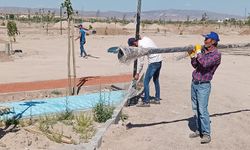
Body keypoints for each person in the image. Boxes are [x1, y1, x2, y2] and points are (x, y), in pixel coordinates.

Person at [188, 31, 221, 144]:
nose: (204, 41)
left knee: (202, 110)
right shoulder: (203, 51)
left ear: (213, 42)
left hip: (204, 85)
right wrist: (192, 56)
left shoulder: (216, 55)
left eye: (206, 39)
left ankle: (206, 134)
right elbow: (196, 65)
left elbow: (204, 63)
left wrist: (197, 52)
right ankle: (199, 130)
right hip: (195, 82)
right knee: (195, 109)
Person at [128, 37, 163, 107]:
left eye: (133, 47)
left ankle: (146, 102)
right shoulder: (145, 38)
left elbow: (141, 63)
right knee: (156, 80)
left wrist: (137, 73)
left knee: (145, 82)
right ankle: (157, 99)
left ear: (134, 43)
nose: (134, 48)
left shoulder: (141, 48)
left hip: (153, 62)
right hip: (160, 60)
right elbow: (142, 36)